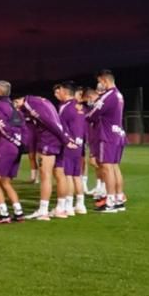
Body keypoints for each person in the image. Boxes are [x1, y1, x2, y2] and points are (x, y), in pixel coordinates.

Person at [13, 89, 76, 221]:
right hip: (58, 140)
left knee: (45, 175)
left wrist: (65, 139)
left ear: (18, 99)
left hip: (49, 141)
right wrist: (66, 138)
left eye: (15, 104)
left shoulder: (30, 104)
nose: (16, 107)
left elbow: (49, 122)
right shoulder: (42, 100)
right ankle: (60, 208)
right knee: (60, 174)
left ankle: (43, 211)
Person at [86, 69, 127, 212]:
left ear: (104, 81)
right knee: (115, 167)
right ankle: (118, 198)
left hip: (107, 136)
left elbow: (92, 114)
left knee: (107, 167)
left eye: (99, 82)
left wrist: (86, 113)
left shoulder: (108, 96)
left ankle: (110, 201)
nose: (99, 85)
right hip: (118, 134)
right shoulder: (119, 94)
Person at [0, 81, 26, 224]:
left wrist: (13, 141)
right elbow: (22, 127)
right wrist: (21, 144)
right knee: (6, 182)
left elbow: (2, 127)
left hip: (7, 146)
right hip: (16, 148)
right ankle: (19, 212)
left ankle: (4, 215)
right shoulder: (12, 106)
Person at [54, 82, 89, 216]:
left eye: (60, 90)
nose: (59, 93)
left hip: (68, 145)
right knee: (76, 176)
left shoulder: (64, 107)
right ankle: (80, 205)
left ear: (65, 91)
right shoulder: (80, 106)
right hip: (79, 145)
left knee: (67, 175)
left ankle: (68, 206)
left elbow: (59, 127)